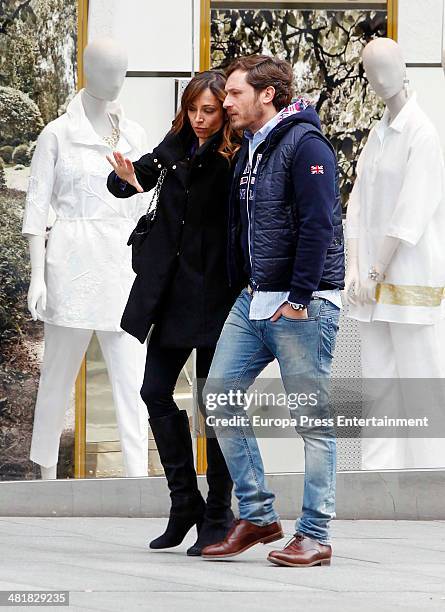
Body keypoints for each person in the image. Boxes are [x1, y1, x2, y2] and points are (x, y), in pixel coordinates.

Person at [200, 55, 345, 567]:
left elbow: (319, 225)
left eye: (236, 93)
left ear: (268, 95)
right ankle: (259, 514)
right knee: (218, 395)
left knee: (312, 422)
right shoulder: (251, 149)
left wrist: (300, 297)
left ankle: (315, 534)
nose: (226, 101)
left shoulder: (307, 145)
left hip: (302, 303)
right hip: (256, 297)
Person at [106, 70, 242, 556]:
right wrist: (124, 177)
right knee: (154, 391)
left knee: (214, 407)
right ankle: (185, 501)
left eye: (209, 111)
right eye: (193, 110)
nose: (200, 120)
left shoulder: (236, 154)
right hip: (170, 293)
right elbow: (130, 180)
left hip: (218, 296)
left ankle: (220, 512)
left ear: (225, 109)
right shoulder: (175, 143)